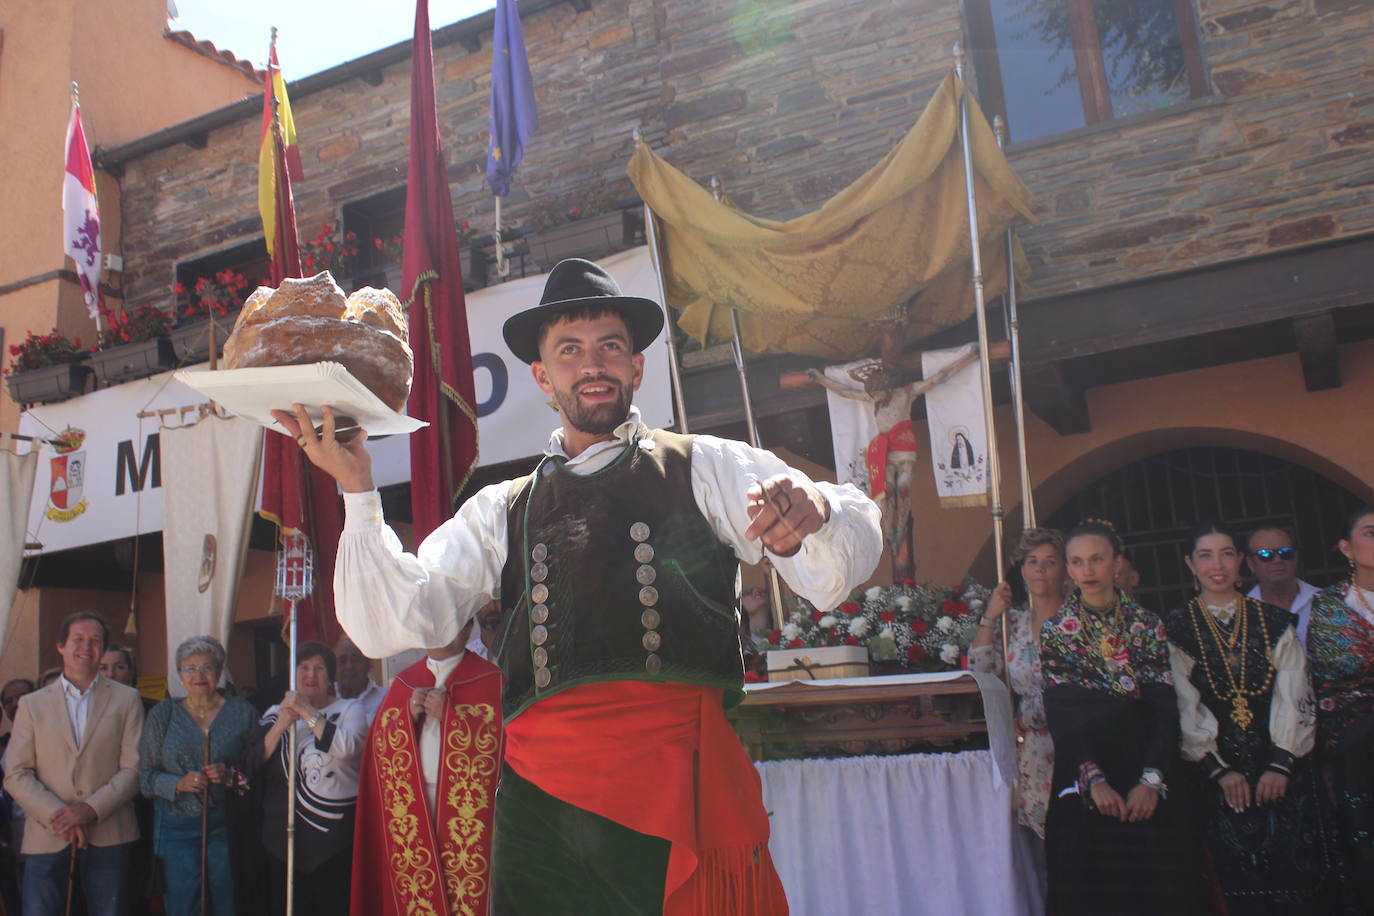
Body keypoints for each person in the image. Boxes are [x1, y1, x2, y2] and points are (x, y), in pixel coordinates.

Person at [275, 257, 882, 915]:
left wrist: (814, 513)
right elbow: (388, 622)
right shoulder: (500, 510)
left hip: (676, 793)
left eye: (609, 347)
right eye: (570, 351)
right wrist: (358, 490)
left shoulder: (704, 466)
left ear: (636, 366)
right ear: (542, 377)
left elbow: (835, 565)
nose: (592, 364)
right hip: (543, 818)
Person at [1165, 522, 1334, 912]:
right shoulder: (1176, 628)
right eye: (1205, 555)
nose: (1217, 565)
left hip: (1282, 773)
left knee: (1298, 883)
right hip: (1215, 778)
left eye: (1226, 553)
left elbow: (1295, 692)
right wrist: (1219, 769)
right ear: (1191, 564)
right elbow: (1182, 703)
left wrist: (1282, 762)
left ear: (1240, 560)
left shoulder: (1273, 623)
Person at [1040, 520, 1200, 915]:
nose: (1087, 571)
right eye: (1077, 562)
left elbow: (1164, 706)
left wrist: (1151, 779)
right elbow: (1061, 711)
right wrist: (1093, 780)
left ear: (1116, 563)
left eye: (1097, 559)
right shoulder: (1057, 631)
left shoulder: (1146, 624)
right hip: (1085, 770)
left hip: (1145, 763)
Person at [350, 620, 502, 916]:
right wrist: (406, 719)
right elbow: (378, 748)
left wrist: (453, 719)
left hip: (468, 812)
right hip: (413, 807)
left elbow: (504, 743)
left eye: (450, 623)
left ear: (467, 627)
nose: (441, 633)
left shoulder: (490, 680)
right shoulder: (405, 682)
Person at [4, 611, 145, 916]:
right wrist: (59, 815)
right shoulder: (32, 704)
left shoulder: (128, 699)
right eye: (78, 639)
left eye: (95, 641)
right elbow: (16, 773)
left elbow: (134, 769)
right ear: (61, 646)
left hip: (110, 831)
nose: (86, 647)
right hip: (47, 833)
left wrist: (88, 810)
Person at [139, 636, 256, 916]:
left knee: (227, 903)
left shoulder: (242, 712)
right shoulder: (163, 714)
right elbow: (145, 778)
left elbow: (258, 773)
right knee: (183, 905)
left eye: (207, 667)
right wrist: (177, 783)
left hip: (226, 826)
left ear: (220, 671)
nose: (198, 675)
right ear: (179, 674)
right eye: (189, 668)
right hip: (174, 829)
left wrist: (230, 776)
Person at [251, 642, 366, 916]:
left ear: (331, 676)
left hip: (334, 841)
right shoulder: (272, 714)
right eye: (303, 668)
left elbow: (347, 748)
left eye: (319, 668)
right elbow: (254, 762)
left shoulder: (351, 709)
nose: (310, 675)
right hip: (282, 840)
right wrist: (282, 723)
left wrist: (308, 712)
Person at [970, 528, 1066, 852]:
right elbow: (981, 672)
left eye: (1050, 562)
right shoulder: (1015, 625)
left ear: (1065, 569)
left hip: (1074, 742)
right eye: (1032, 561)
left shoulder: (1075, 621)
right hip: (1034, 753)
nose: (1040, 569)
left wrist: (1027, 719)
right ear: (1022, 569)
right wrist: (990, 617)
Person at [1307, 505, 1374, 911]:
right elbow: (1336, 672)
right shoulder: (1330, 606)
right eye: (1371, 532)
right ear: (1346, 548)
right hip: (1359, 748)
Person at [1245, 526, 1320, 647]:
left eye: (1286, 553)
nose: (1277, 560)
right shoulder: (1242, 614)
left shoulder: (1326, 603)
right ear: (1251, 563)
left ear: (1296, 557)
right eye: (1265, 555)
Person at [332, 637, 383, 726]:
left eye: (355, 660)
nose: (349, 666)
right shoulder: (323, 698)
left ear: (368, 663)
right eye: (342, 660)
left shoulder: (385, 699)